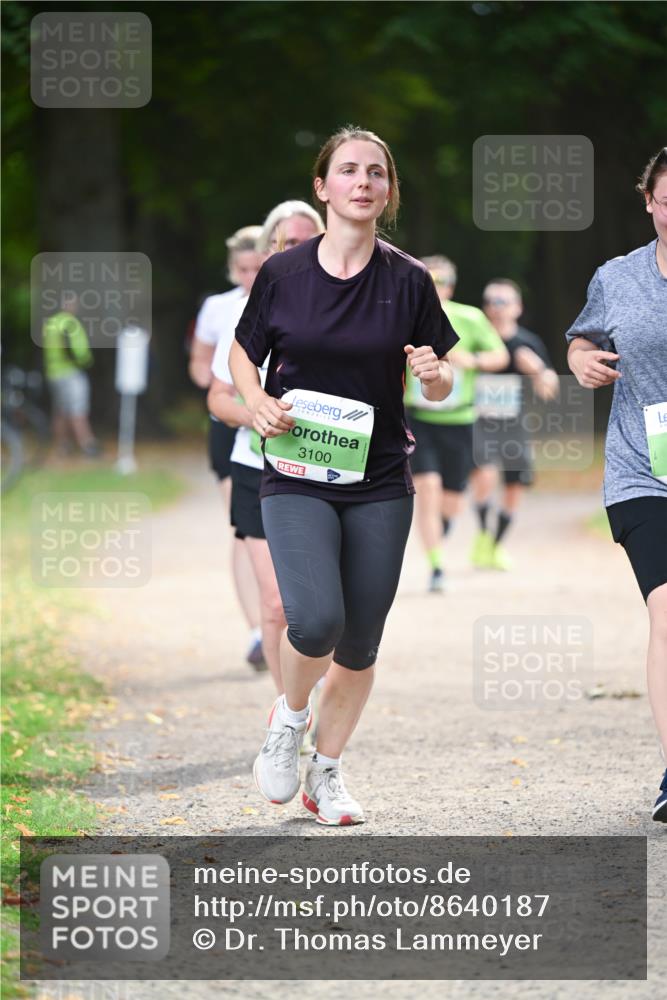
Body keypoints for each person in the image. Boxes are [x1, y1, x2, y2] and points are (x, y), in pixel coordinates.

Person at [229, 126, 458, 826]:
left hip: (379, 477)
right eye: (349, 171)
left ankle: (324, 776)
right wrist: (257, 400)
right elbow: (245, 353)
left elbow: (442, 379)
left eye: (376, 173)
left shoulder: (409, 280)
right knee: (316, 620)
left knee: (359, 643)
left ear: (386, 193)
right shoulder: (283, 274)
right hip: (297, 471)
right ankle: (288, 717)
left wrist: (434, 374)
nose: (363, 182)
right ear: (322, 187)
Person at [566, 147, 667, 824]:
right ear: (649, 201)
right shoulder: (617, 277)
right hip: (643, 471)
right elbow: (580, 339)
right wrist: (580, 361)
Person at [207, 201, 324, 696]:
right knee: (276, 604)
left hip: (326, 470)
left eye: (301, 243)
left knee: (322, 609)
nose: (289, 252)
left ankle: (314, 685)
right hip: (256, 466)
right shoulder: (241, 312)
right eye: (281, 244)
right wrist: (258, 411)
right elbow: (217, 396)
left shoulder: (347, 303)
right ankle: (289, 717)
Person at [406, 255, 508, 592]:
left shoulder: (470, 317)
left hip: (460, 418)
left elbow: (500, 355)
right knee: (428, 488)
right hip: (418, 417)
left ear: (451, 285)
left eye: (442, 282)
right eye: (430, 282)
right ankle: (436, 566)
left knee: (451, 500)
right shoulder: (406, 314)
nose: (437, 289)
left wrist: (472, 360)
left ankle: (441, 531)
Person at [190, 226, 265, 669]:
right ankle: (256, 628)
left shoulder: (286, 298)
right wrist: (220, 384)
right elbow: (201, 362)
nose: (250, 276)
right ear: (231, 269)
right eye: (242, 269)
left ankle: (281, 624)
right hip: (230, 425)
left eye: (258, 267)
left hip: (274, 422)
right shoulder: (219, 308)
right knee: (243, 528)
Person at [469, 278, 558, 570]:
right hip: (477, 419)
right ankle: (482, 533)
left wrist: (538, 370)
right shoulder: (474, 339)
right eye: (490, 302)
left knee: (515, 484)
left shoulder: (527, 343)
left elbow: (550, 390)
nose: (496, 308)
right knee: (485, 472)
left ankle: (495, 545)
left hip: (513, 423)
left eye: (503, 302)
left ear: (517, 308)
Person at [43, 292, 100, 457]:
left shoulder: (51, 323)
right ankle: (87, 445)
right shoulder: (70, 324)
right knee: (78, 410)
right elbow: (77, 351)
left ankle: (62, 446)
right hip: (71, 373)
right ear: (68, 305)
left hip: (53, 373)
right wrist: (86, 361)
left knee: (60, 411)